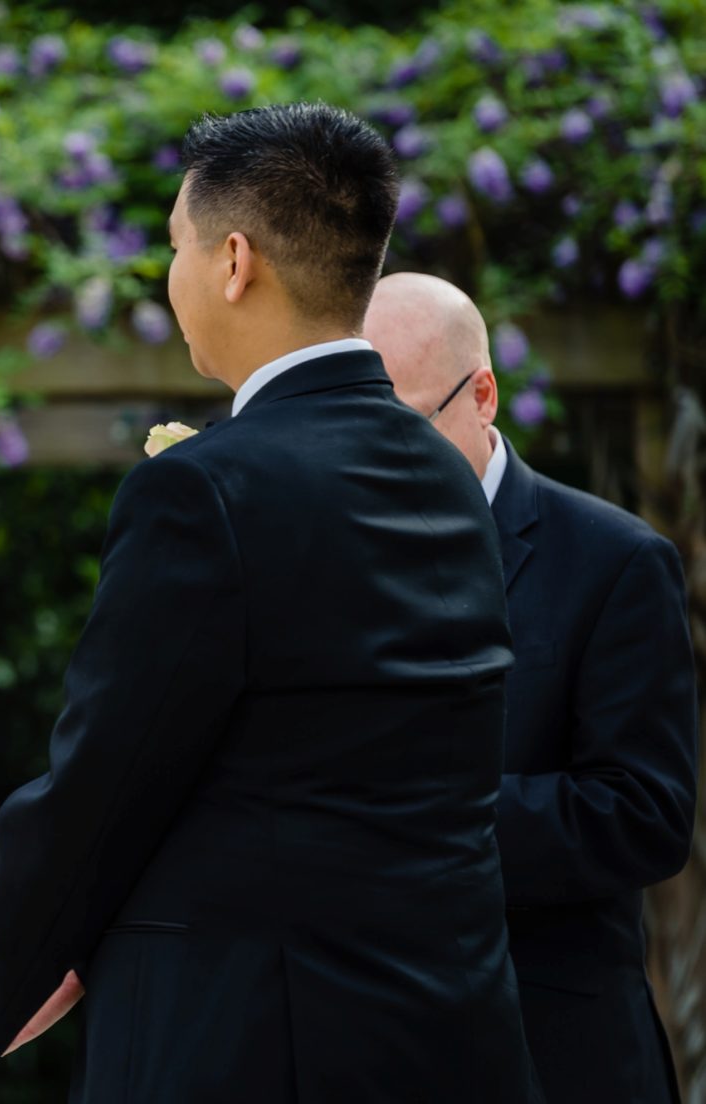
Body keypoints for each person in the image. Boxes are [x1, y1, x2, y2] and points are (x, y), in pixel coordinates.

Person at [0, 103, 539, 1101]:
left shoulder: (203, 488)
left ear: (233, 261)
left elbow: (106, 777)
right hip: (445, 1025)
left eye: (173, 247)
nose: (172, 275)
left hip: (251, 1038)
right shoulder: (445, 472)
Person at [365, 271, 698, 1104]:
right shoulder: (319, 554)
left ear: (483, 395)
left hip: (555, 1052)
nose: (371, 457)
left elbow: (644, 814)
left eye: (401, 424)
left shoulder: (614, 561)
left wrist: (425, 823)